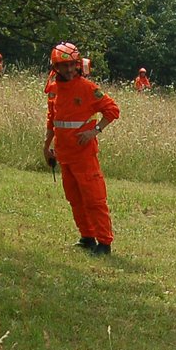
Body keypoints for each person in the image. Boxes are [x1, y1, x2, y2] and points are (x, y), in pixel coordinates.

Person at [43, 41, 120, 254]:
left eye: (72, 65)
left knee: (94, 199)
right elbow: (53, 119)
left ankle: (104, 243)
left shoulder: (88, 88)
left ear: (78, 65)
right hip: (64, 154)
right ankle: (87, 237)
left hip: (84, 155)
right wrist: (46, 146)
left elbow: (112, 110)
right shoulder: (53, 88)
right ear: (55, 67)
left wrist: (94, 131)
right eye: (64, 66)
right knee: (75, 199)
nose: (69, 70)